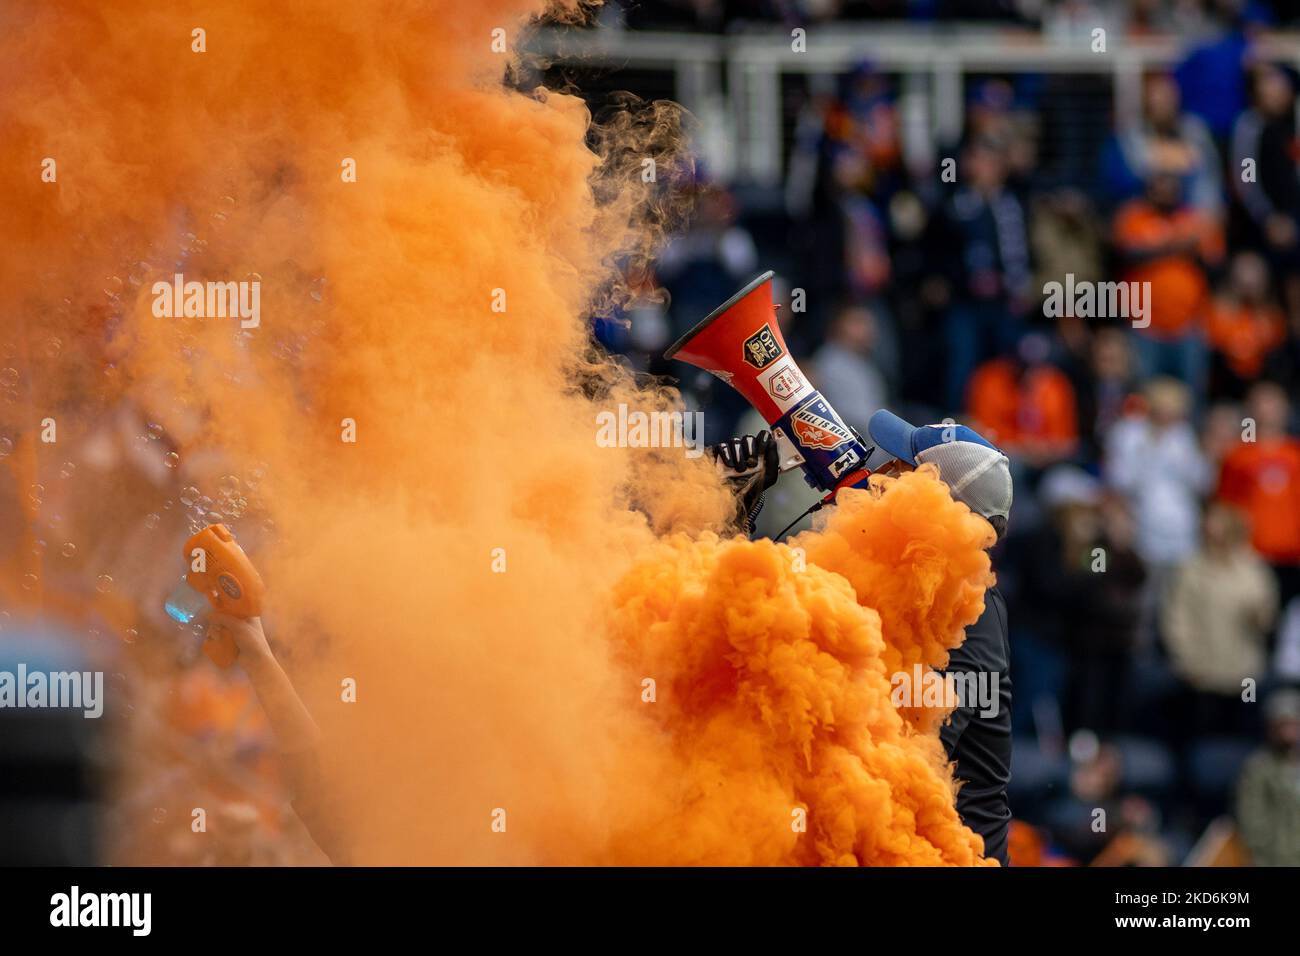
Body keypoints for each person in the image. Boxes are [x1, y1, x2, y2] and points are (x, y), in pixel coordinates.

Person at [867, 409, 1015, 864]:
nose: (880, 473)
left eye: (902, 469)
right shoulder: (915, 586)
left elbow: (910, 761)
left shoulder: (969, 617)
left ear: (941, 507)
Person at [1235, 688, 1300, 867]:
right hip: (1276, 859)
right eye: (1282, 724)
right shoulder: (1258, 768)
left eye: (1294, 723)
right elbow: (1252, 824)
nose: (1289, 732)